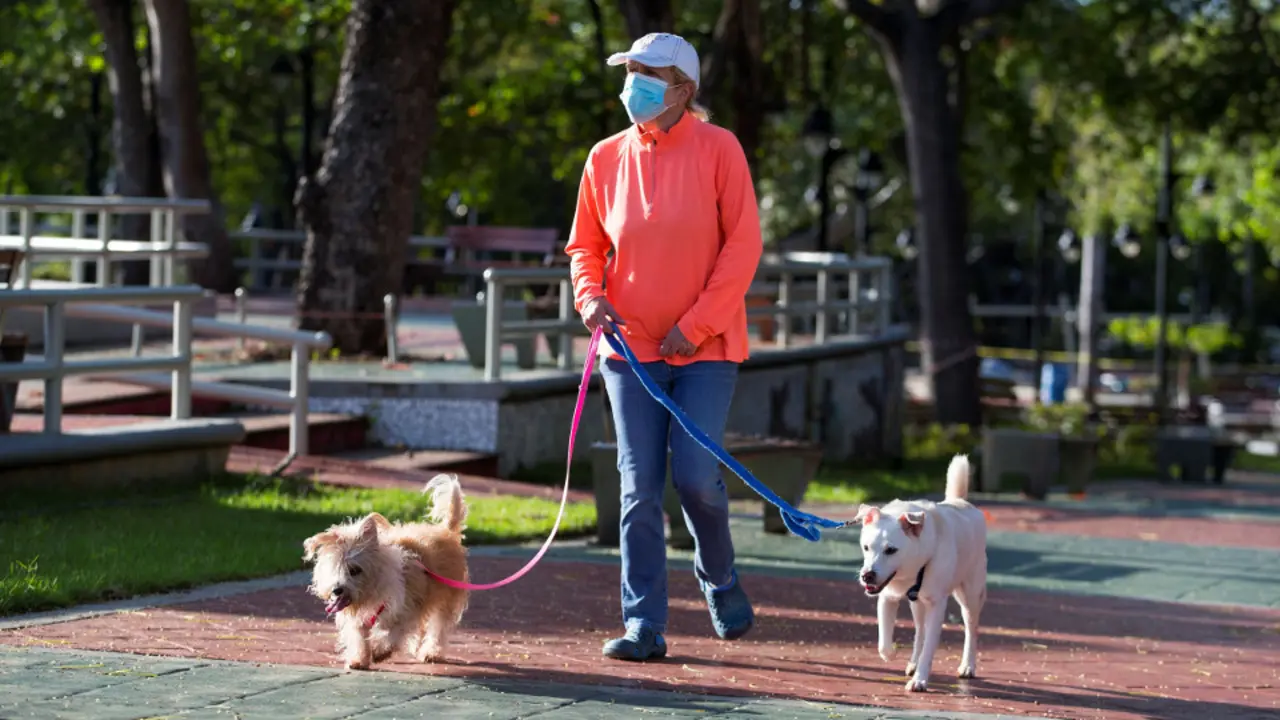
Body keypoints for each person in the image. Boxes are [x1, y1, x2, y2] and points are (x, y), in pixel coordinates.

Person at [564, 32, 764, 662]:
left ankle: (719, 576)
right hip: (629, 351)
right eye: (629, 72)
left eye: (648, 74)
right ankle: (643, 623)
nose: (634, 84)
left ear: (683, 89)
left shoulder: (720, 148)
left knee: (697, 478)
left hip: (706, 348)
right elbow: (585, 248)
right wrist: (589, 296)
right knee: (638, 487)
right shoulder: (603, 157)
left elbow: (744, 247)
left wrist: (697, 324)